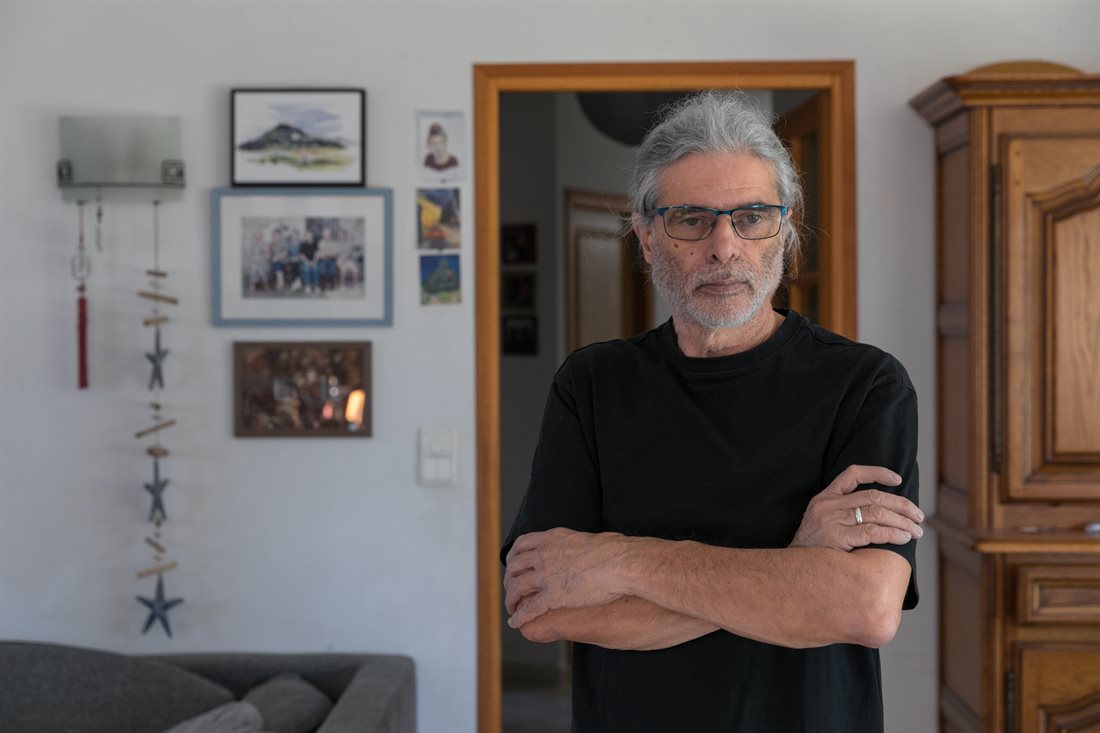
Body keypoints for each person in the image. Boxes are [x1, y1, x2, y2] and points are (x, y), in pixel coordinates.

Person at [501, 90, 923, 733]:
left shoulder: (864, 386)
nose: (724, 247)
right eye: (691, 219)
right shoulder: (591, 385)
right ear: (646, 237)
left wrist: (620, 563)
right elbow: (540, 607)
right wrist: (795, 562)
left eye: (752, 216)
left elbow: (865, 608)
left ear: (785, 228)